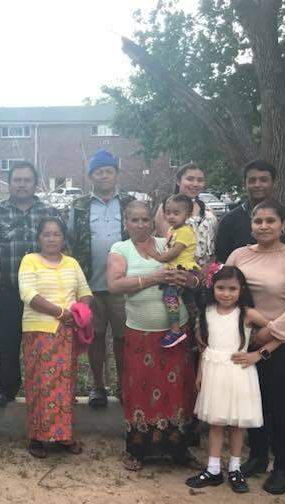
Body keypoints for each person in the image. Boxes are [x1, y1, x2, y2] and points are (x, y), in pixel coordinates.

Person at [227, 200, 285, 494]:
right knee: (253, 402)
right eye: (258, 221)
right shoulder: (239, 255)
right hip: (246, 342)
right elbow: (225, 290)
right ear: (251, 225)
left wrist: (270, 332)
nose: (263, 226)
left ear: (282, 226)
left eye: (270, 221)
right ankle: (258, 456)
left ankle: (284, 467)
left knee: (279, 407)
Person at [106, 201, 200, 471]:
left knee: (178, 389)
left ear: (152, 221)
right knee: (140, 389)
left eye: (145, 219)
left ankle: (179, 450)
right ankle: (138, 450)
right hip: (140, 334)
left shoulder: (168, 243)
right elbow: (114, 284)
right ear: (126, 222)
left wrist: (189, 280)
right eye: (134, 220)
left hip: (175, 333)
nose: (140, 225)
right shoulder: (120, 249)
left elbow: (196, 273)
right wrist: (155, 277)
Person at [185, 265, 273, 493]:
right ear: (212, 287)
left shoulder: (246, 314)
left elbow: (278, 332)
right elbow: (205, 348)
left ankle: (235, 468)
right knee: (216, 423)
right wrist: (200, 373)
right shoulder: (207, 313)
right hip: (214, 373)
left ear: (241, 289)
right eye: (221, 288)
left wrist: (258, 354)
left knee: (235, 424)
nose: (226, 293)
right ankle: (213, 469)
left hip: (238, 373)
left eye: (232, 289)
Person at [0, 161, 60, 407]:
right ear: (9, 182)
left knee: (43, 343)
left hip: (43, 293)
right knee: (7, 342)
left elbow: (62, 250)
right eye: (17, 180)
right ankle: (6, 388)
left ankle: (43, 389)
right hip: (7, 290)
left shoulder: (50, 213)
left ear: (35, 183)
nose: (22, 184)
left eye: (27, 180)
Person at [18, 218, 92, 459]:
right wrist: (60, 313)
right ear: (39, 238)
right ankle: (37, 437)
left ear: (63, 238)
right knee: (40, 383)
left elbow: (85, 292)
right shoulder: (30, 261)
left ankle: (64, 435)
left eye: (57, 234)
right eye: (46, 234)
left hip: (68, 333)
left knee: (65, 385)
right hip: (39, 331)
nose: (51, 238)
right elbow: (28, 293)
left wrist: (80, 311)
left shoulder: (71, 263)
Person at [68, 149, 133, 407]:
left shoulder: (130, 203)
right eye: (99, 172)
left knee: (122, 337)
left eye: (108, 171)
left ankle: (123, 384)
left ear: (116, 174)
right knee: (93, 337)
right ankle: (98, 385)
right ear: (91, 176)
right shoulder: (79, 206)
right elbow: (71, 240)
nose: (104, 176)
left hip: (123, 285)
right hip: (90, 285)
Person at [214, 159, 285, 263]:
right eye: (252, 180)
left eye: (263, 180)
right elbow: (222, 258)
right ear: (245, 184)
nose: (257, 184)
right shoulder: (229, 221)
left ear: (274, 183)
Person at [153, 194, 198, 348]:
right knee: (188, 303)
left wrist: (158, 258)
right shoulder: (173, 229)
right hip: (174, 268)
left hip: (182, 270)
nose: (171, 216)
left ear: (188, 215)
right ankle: (195, 331)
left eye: (176, 213)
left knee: (169, 296)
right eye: (168, 212)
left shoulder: (185, 231)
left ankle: (175, 330)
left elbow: (175, 251)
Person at [154, 162, 218, 267]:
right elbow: (169, 244)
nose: (195, 184)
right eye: (190, 179)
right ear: (179, 181)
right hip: (179, 270)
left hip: (205, 271)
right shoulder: (166, 209)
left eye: (200, 180)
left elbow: (213, 245)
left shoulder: (208, 210)